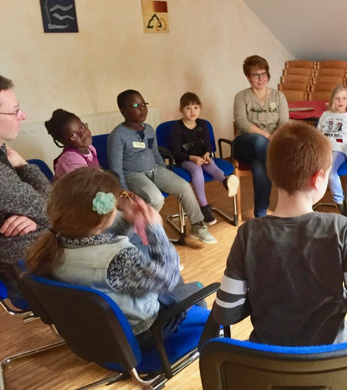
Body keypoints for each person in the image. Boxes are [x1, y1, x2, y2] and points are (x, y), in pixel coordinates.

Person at [212, 122, 347, 346]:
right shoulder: (340, 229)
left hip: (268, 361)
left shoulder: (248, 234)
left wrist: (262, 296)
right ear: (318, 178)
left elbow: (225, 312)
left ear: (271, 173)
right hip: (332, 361)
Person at [25, 167, 206, 347]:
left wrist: (127, 221)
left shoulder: (55, 244)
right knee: (197, 288)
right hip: (142, 333)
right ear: (102, 218)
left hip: (101, 331)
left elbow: (99, 241)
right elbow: (167, 279)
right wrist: (155, 228)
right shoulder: (119, 259)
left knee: (176, 284)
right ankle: (204, 343)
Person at [107, 89, 217, 244]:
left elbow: (155, 153)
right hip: (133, 174)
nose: (142, 108)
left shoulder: (149, 129)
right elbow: (115, 166)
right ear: (123, 111)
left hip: (155, 170)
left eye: (144, 104)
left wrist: (164, 174)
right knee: (156, 198)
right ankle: (144, 233)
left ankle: (198, 226)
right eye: (136, 105)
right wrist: (124, 191)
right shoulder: (117, 135)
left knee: (184, 187)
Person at [0, 75, 51, 306]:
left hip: (35, 251)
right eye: (15, 111)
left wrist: (36, 215)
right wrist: (23, 164)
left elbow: (42, 207)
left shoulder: (3, 151)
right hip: (27, 272)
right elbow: (54, 209)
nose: (23, 116)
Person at [170, 92, 239, 225]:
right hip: (185, 160)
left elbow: (208, 144)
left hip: (202, 157)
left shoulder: (203, 124)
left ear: (200, 108)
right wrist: (192, 158)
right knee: (197, 169)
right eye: (188, 108)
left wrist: (207, 153)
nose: (192, 111)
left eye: (195, 107)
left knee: (211, 164)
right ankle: (204, 206)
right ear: (181, 110)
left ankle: (226, 182)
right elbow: (176, 153)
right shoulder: (177, 128)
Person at [233, 55, 289, 218]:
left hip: (268, 148)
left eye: (263, 74)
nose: (261, 78)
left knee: (259, 166)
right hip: (245, 143)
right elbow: (241, 122)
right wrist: (266, 136)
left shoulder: (279, 96)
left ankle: (260, 214)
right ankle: (284, 177)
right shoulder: (242, 96)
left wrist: (273, 138)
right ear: (248, 77)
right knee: (259, 141)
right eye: (256, 75)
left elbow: (284, 123)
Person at [316, 85, 347, 218]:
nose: (340, 101)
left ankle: (340, 202)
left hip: (339, 150)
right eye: (337, 98)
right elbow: (317, 136)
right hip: (322, 149)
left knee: (330, 173)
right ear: (332, 100)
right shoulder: (325, 115)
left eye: (344, 98)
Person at [45, 109, 99, 180]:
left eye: (82, 127)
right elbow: (85, 183)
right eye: (74, 135)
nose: (83, 134)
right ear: (62, 141)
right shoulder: (71, 157)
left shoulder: (90, 147)